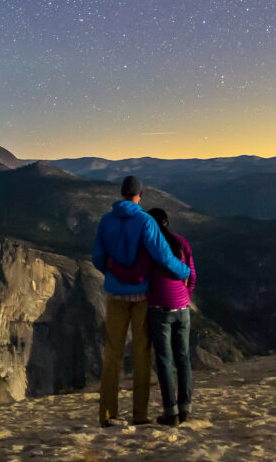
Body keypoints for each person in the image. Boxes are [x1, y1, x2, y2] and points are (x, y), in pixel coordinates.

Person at [92, 175, 191, 428]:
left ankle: (107, 414)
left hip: (115, 297)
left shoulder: (106, 221)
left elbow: (97, 258)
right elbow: (163, 256)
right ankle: (139, 414)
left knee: (112, 354)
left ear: (121, 193)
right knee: (141, 355)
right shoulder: (146, 221)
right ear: (140, 195)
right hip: (142, 298)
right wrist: (184, 272)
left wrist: (113, 271)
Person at [143, 207, 195, 426]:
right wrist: (185, 296)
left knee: (164, 361)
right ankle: (186, 409)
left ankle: (171, 413)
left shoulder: (150, 246)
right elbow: (192, 274)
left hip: (160, 308)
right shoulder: (181, 242)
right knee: (183, 358)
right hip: (182, 308)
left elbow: (143, 277)